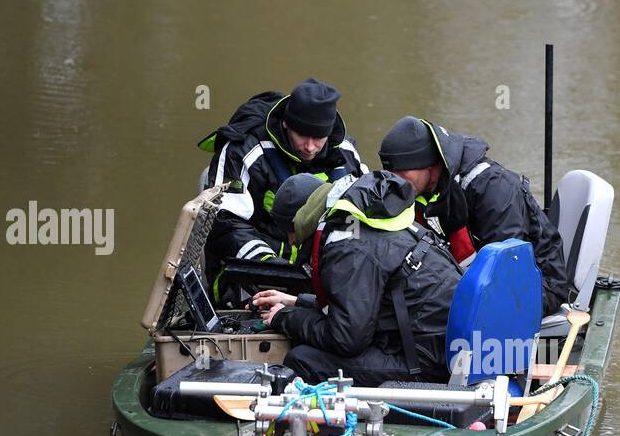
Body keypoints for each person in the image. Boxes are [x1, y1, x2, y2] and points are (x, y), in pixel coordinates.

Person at [250, 171, 461, 386]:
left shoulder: (346, 246)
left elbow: (346, 339)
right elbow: (366, 305)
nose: (291, 242)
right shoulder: (365, 221)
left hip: (427, 364)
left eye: (289, 232)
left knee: (303, 360)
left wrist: (286, 318)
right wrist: (296, 302)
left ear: (299, 221)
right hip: (448, 347)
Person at [378, 116, 569, 316]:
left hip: (536, 286)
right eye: (389, 171)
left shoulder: (494, 188)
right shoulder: (425, 189)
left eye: (400, 171)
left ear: (426, 163)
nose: (393, 180)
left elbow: (508, 270)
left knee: (433, 313)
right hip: (475, 275)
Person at [197, 78, 364, 303]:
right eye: (303, 135)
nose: (310, 147)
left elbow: (362, 217)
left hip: (319, 275)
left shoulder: (346, 153)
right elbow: (224, 224)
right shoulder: (243, 148)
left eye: (319, 138)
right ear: (286, 123)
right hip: (251, 272)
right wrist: (270, 267)